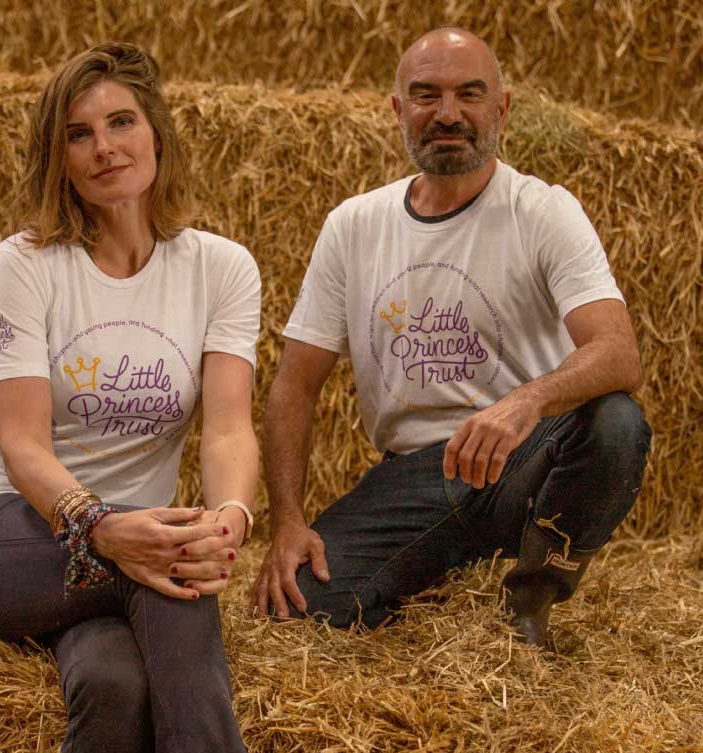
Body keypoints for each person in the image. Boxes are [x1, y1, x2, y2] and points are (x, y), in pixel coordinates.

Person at [0, 42, 263, 753]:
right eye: (79, 134)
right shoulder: (27, 264)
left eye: (121, 121)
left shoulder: (222, 268)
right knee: (172, 568)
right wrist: (98, 524)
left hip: (124, 555)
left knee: (116, 684)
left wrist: (230, 520)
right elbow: (21, 446)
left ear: (157, 133)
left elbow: (232, 428)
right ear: (60, 158)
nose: (105, 147)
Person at [252, 27, 651, 647]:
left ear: (503, 107)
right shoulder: (353, 225)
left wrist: (523, 404)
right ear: (396, 110)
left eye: (469, 94)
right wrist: (287, 523)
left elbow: (619, 354)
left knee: (617, 423)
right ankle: (438, 567)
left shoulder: (543, 211)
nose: (448, 114)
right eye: (425, 95)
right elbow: (294, 387)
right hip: (412, 476)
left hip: (522, 463)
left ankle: (531, 599)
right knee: (299, 614)